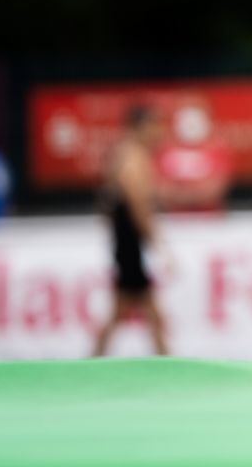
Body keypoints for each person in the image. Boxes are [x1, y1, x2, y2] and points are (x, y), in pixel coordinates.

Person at [92, 105, 170, 356]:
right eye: (153, 126)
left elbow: (108, 203)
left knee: (134, 311)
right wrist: (155, 240)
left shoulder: (123, 154)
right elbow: (137, 203)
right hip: (130, 244)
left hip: (126, 241)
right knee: (137, 311)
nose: (158, 132)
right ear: (139, 127)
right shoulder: (133, 157)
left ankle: (165, 359)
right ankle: (167, 362)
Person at [154, 99, 235, 213]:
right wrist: (192, 194)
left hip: (208, 218)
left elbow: (216, 189)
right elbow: (159, 189)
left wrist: (180, 194)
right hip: (172, 218)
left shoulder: (217, 148)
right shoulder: (164, 149)